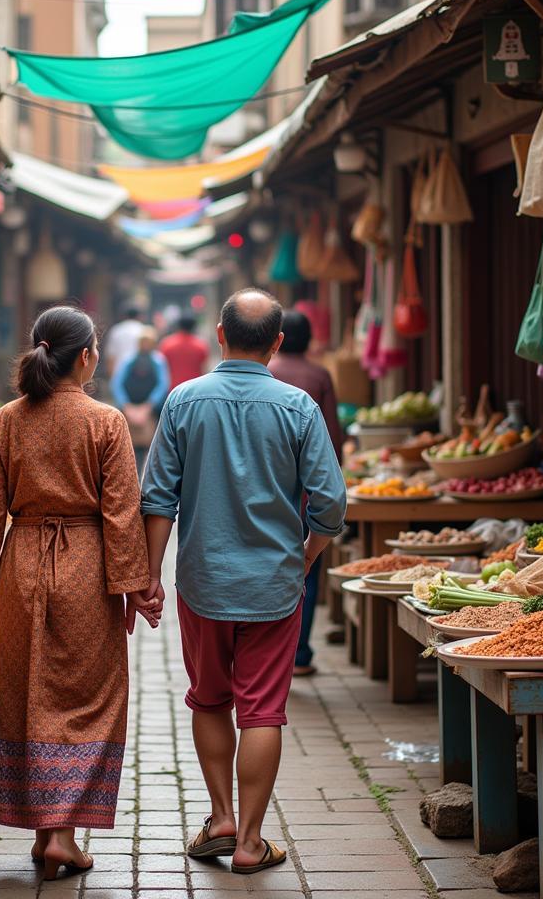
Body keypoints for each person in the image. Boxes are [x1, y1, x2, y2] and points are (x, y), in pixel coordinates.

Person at [0, 306, 162, 883]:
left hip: (20, 568)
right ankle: (62, 836)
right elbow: (122, 514)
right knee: (90, 696)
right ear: (88, 357)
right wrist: (136, 588)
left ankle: (50, 833)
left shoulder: (8, 421)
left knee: (28, 692)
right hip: (86, 573)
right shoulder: (106, 422)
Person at [140, 288, 346, 875]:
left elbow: (158, 499)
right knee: (262, 711)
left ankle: (221, 816)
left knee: (209, 698)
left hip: (202, 584)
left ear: (220, 335)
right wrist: (306, 556)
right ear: (277, 344)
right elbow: (330, 503)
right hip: (274, 587)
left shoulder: (182, 402)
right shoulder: (299, 407)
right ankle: (252, 842)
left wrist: (151, 577)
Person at [270, 309, 344, 677]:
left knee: (267, 565)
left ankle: (265, 650)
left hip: (270, 494)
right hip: (306, 497)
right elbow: (333, 440)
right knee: (306, 571)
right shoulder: (319, 375)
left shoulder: (266, 374)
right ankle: (298, 654)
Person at [110, 327, 170, 471]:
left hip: (148, 411)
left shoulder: (157, 361)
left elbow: (162, 385)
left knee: (148, 448)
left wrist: (147, 406)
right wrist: (127, 406)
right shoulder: (130, 360)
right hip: (133, 409)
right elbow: (117, 383)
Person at [159, 312, 210, 390]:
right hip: (194, 389)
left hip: (172, 390)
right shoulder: (201, 345)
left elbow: (162, 369)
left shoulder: (167, 344)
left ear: (179, 325)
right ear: (194, 326)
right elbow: (205, 369)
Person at [103, 304, 144, 378]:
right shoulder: (144, 330)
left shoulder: (116, 330)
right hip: (140, 374)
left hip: (119, 374)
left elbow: (111, 357)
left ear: (124, 316)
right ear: (140, 316)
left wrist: (112, 378)